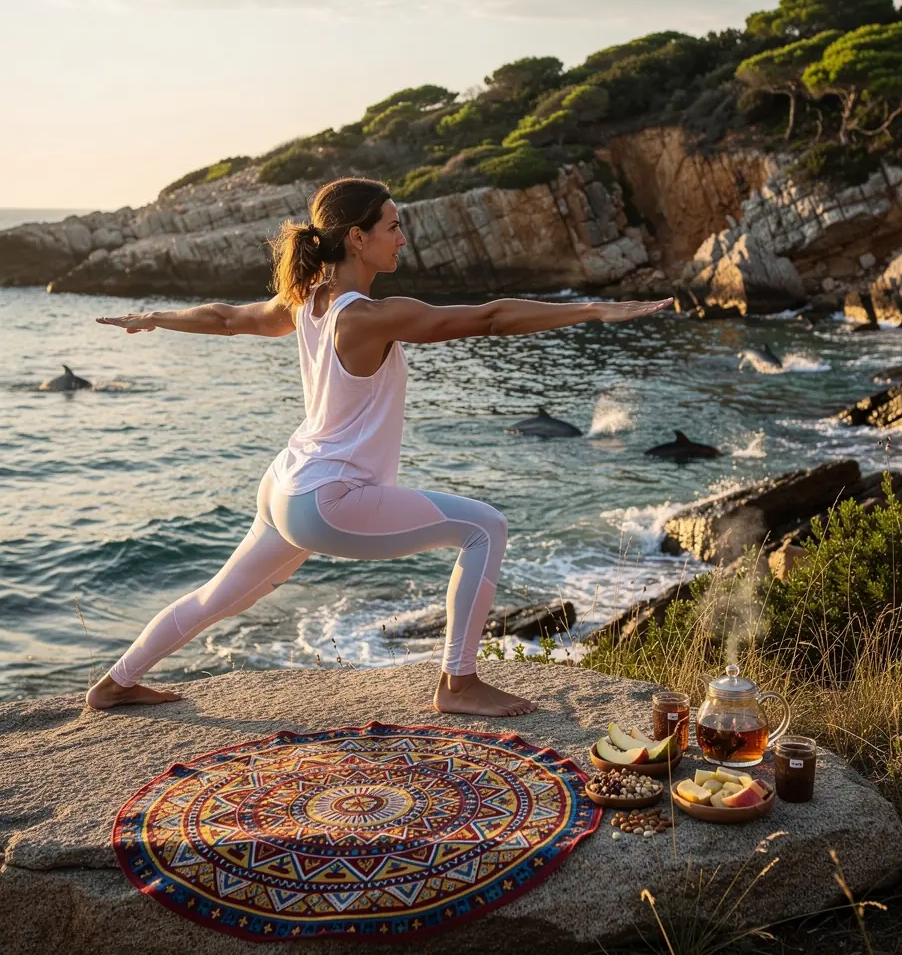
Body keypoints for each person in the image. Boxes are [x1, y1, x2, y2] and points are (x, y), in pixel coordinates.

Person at [85, 177, 673, 717]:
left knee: (215, 598)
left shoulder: (306, 300)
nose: (403, 237)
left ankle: (116, 682)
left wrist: (158, 317)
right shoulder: (368, 317)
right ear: (358, 238)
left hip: (285, 485)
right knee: (484, 528)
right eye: (392, 226)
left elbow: (228, 317)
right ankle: (459, 685)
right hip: (328, 499)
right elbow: (490, 318)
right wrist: (594, 309)